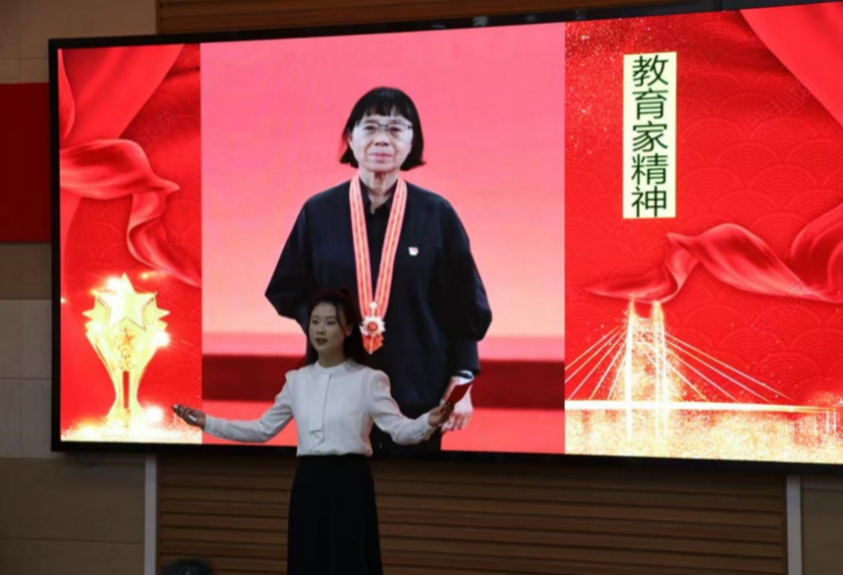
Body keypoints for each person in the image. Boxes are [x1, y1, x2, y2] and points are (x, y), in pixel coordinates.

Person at [265, 87, 492, 454]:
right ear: (350, 138)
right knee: (334, 486)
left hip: (419, 391)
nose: (382, 139)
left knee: (412, 488)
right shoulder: (318, 212)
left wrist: (462, 381)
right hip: (334, 391)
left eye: (396, 128)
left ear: (413, 140)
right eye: (370, 127)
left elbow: (464, 305)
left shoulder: (437, 214)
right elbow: (286, 289)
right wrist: (328, 326)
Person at [173, 288, 453, 575]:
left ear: (348, 329)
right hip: (309, 481)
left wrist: (428, 421)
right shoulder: (296, 380)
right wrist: (208, 423)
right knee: (308, 560)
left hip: (350, 482)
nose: (320, 330)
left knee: (350, 561)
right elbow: (261, 430)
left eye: (330, 322)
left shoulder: (369, 380)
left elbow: (400, 431)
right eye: (315, 322)